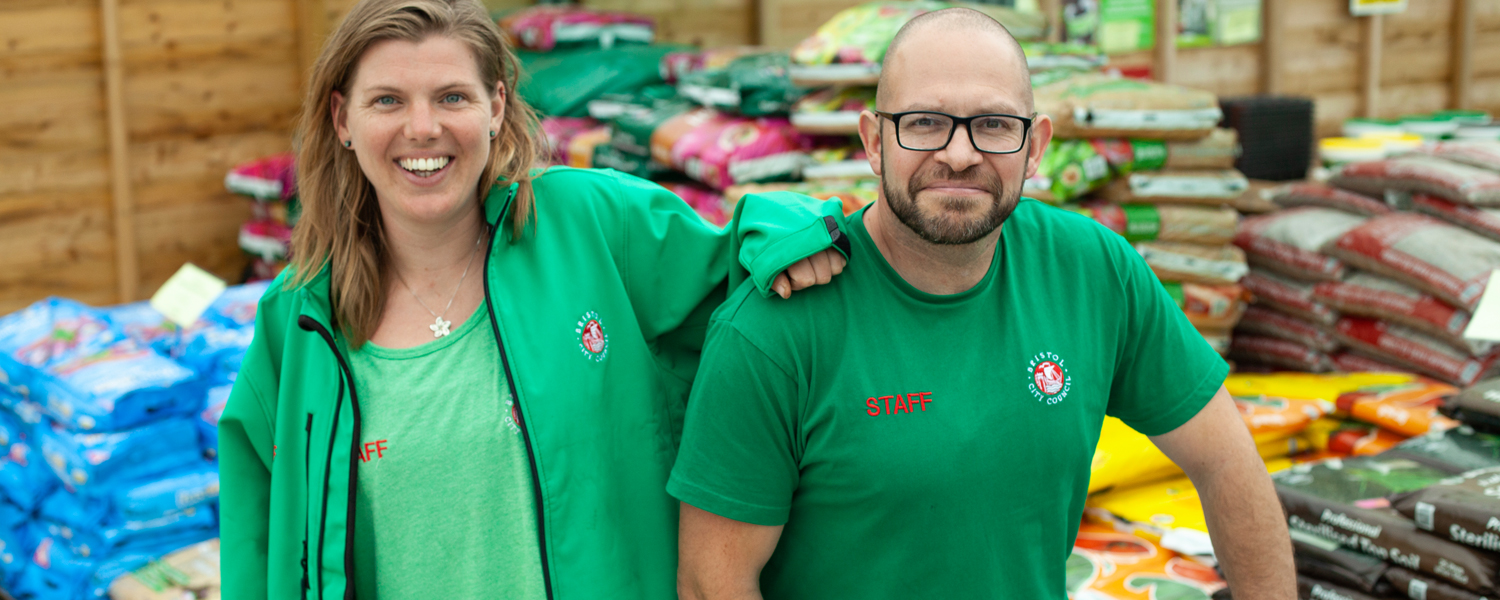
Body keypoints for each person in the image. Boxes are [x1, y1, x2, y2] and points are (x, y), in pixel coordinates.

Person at [216, 1, 849, 598]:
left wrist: (792, 234)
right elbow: (257, 540)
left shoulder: (594, 224)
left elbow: (738, 257)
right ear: (341, 119)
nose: (422, 128)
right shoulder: (296, 319)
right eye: (387, 100)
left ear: (496, 106)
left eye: (451, 97)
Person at [669, 9, 1295, 600]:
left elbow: (1227, 462)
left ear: (1036, 145)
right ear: (873, 141)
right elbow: (710, 582)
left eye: (993, 124)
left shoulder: (1092, 270)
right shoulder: (774, 329)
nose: (959, 153)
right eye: (924, 122)